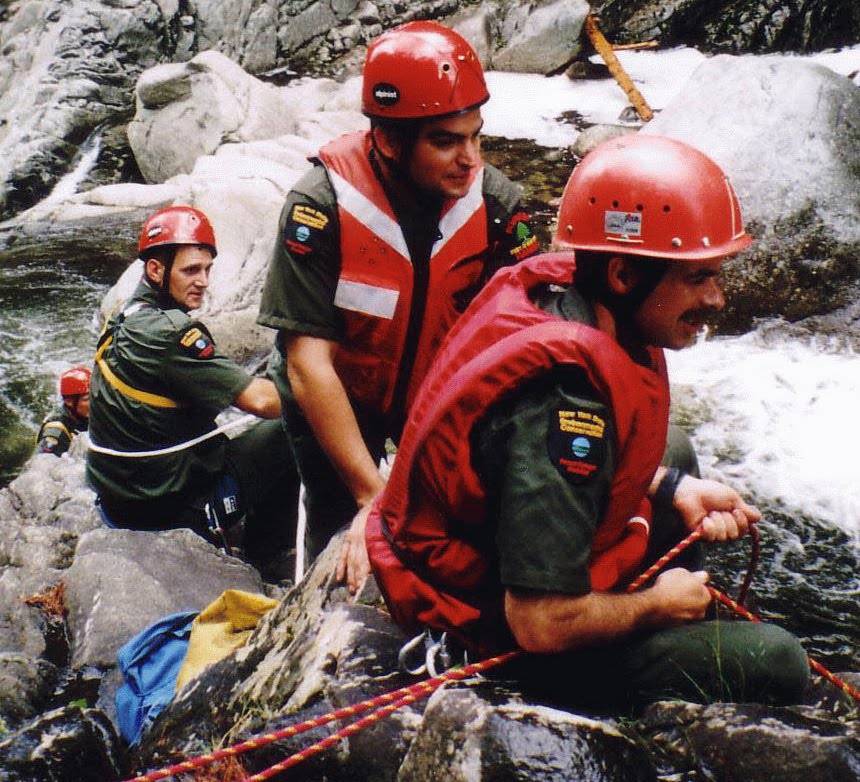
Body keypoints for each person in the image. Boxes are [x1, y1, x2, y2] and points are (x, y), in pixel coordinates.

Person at [360, 135, 809, 706]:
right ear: (623, 276)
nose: (717, 299)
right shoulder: (565, 404)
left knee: (672, 450)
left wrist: (674, 487)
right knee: (779, 661)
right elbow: (539, 623)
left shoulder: (564, 297)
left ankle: (680, 616)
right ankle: (667, 641)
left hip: (497, 551)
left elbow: (521, 469)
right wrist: (655, 606)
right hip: (497, 631)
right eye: (698, 278)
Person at [258, 21, 540, 564]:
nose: (470, 159)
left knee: (450, 524)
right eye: (446, 141)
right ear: (388, 141)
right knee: (340, 522)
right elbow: (307, 364)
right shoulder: (321, 206)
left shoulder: (497, 208)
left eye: (475, 136)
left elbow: (531, 342)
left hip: (436, 389)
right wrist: (371, 494)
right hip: (340, 390)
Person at [86, 205, 301, 581]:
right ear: (156, 270)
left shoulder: (124, 317)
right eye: (190, 271)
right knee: (295, 425)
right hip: (171, 508)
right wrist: (316, 381)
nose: (203, 281)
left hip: (120, 501)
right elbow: (264, 402)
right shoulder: (172, 333)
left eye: (207, 270)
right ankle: (267, 556)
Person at [36, 365, 91, 456]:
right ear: (69, 401)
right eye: (87, 399)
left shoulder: (84, 412)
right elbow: (43, 462)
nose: (95, 403)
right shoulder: (55, 431)